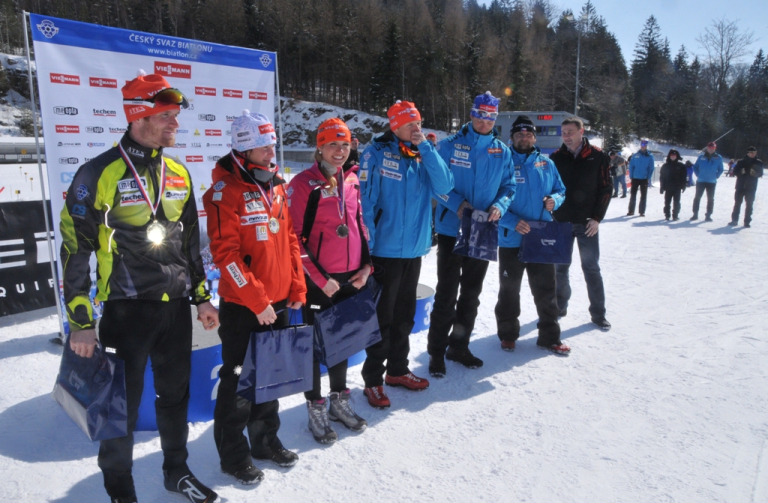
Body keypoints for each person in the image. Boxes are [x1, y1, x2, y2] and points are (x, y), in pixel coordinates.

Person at [60, 71, 219, 503]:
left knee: (175, 397)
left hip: (175, 309)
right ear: (139, 115)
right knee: (120, 409)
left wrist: (202, 298)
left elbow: (190, 244)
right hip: (126, 310)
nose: (174, 124)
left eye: (175, 116)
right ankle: (120, 488)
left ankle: (176, 471)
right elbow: (76, 251)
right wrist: (80, 322)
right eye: (166, 116)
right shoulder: (97, 173)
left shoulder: (180, 172)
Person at [202, 110, 306, 485]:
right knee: (238, 385)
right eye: (263, 146)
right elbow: (225, 258)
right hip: (245, 308)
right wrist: (258, 301)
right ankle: (233, 457)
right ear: (244, 148)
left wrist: (297, 287)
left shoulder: (276, 185)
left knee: (270, 381)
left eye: (272, 144)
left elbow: (290, 239)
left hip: (278, 303)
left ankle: (265, 442)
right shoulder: (223, 192)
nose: (270, 152)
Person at [358, 100, 454, 408]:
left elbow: (445, 186)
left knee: (404, 317)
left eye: (418, 123)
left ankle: (397, 370)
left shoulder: (422, 153)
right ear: (394, 125)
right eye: (410, 124)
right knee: (382, 318)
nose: (416, 128)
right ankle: (373, 379)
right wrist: (367, 249)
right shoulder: (376, 153)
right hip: (384, 251)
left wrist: (426, 148)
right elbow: (365, 203)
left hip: (414, 249)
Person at [287, 118, 372, 443]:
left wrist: (367, 266)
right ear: (319, 147)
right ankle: (315, 405)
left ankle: (339, 399)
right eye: (333, 144)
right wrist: (320, 279)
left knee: (342, 341)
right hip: (317, 280)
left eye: (345, 144)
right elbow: (294, 239)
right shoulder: (303, 184)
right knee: (313, 345)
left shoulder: (351, 180)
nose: (340, 151)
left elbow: (359, 224)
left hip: (350, 277)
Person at [426, 92, 515, 378]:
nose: (484, 120)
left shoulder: (502, 151)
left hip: (484, 230)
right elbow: (435, 183)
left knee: (471, 294)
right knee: (447, 292)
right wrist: (457, 204)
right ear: (472, 113)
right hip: (453, 230)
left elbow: (509, 187)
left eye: (490, 116)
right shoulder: (450, 146)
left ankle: (459, 346)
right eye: (480, 114)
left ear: (495, 118)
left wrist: (500, 206)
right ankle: (437, 352)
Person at [496, 116, 569, 355]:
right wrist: (511, 221)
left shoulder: (546, 164)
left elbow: (561, 190)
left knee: (546, 289)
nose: (524, 137)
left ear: (534, 137)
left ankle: (549, 337)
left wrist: (554, 201)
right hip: (511, 237)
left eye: (528, 134)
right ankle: (508, 335)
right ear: (512, 137)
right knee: (509, 290)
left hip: (541, 237)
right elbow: (490, 200)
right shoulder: (502, 163)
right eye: (519, 134)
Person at [550, 117, 612, 331]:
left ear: (581, 131)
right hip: (561, 222)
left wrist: (597, 218)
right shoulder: (556, 158)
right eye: (563, 132)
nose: (566, 136)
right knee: (560, 269)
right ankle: (559, 307)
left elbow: (606, 189)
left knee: (591, 268)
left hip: (587, 223)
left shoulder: (598, 156)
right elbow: (549, 188)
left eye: (570, 131)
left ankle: (598, 314)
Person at [729, 146, 764, 228]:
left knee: (749, 205)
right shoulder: (741, 162)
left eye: (754, 153)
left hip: (751, 187)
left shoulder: (758, 162)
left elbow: (760, 173)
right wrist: (741, 171)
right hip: (740, 186)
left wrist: (755, 173)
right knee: (737, 203)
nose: (752, 154)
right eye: (751, 152)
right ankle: (734, 220)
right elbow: (735, 172)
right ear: (747, 153)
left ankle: (747, 221)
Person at [690, 142, 724, 222]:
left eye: (713, 148)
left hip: (711, 181)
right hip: (701, 180)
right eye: (710, 148)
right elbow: (695, 167)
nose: (711, 150)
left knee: (710, 199)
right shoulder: (701, 157)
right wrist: (698, 174)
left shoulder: (718, 158)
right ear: (707, 148)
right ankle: (695, 214)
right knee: (697, 197)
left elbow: (721, 169)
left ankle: (708, 215)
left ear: (715, 149)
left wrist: (716, 175)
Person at [659, 149, 687, 221]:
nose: (673, 156)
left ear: (677, 156)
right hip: (668, 187)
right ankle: (667, 215)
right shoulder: (665, 166)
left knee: (677, 202)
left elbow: (684, 177)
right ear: (669, 156)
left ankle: (675, 215)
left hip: (677, 187)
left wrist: (683, 186)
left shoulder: (681, 166)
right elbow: (662, 177)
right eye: (672, 155)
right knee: (667, 202)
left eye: (674, 155)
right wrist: (662, 187)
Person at [627, 140, 654, 216]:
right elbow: (631, 166)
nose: (643, 147)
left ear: (646, 146)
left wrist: (648, 177)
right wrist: (631, 176)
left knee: (643, 195)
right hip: (635, 178)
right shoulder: (635, 155)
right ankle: (631, 211)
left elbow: (651, 168)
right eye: (642, 145)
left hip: (644, 178)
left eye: (644, 145)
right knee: (633, 195)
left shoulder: (650, 156)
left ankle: (642, 211)